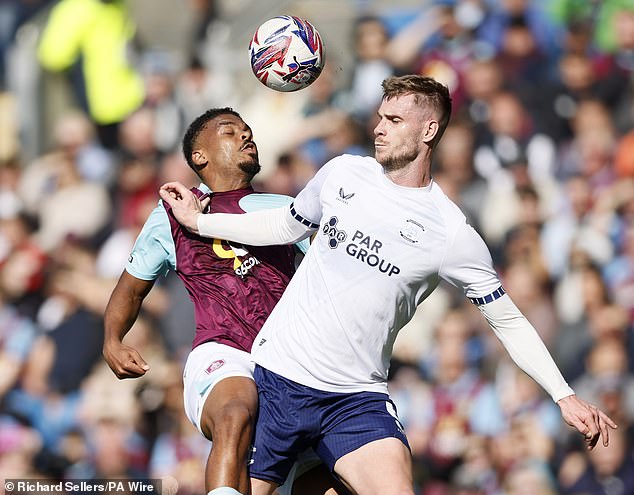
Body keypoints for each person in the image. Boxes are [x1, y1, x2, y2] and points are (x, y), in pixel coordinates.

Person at [159, 75, 618, 495]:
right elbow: (282, 226)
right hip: (280, 380)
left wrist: (563, 394)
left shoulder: (451, 233)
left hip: (356, 399)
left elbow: (506, 319)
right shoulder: (343, 174)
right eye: (380, 116)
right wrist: (200, 221)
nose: (379, 127)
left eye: (394, 120)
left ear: (428, 131)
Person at [103, 108, 339, 495]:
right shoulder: (173, 215)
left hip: (289, 363)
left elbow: (331, 266)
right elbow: (130, 288)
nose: (247, 137)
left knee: (329, 479)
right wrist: (113, 339)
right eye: (231, 132)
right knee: (234, 412)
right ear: (200, 156)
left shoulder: (286, 208)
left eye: (248, 131)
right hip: (223, 352)